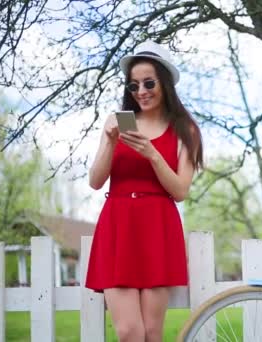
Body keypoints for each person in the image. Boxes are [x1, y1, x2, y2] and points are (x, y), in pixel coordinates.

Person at [85, 40, 203, 342]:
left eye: (149, 83)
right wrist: (110, 143)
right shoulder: (116, 122)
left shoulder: (184, 129)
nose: (141, 91)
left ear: (164, 83)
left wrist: (152, 154)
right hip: (118, 225)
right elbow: (96, 181)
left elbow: (180, 190)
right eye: (134, 85)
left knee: (151, 332)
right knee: (128, 332)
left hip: (157, 226)